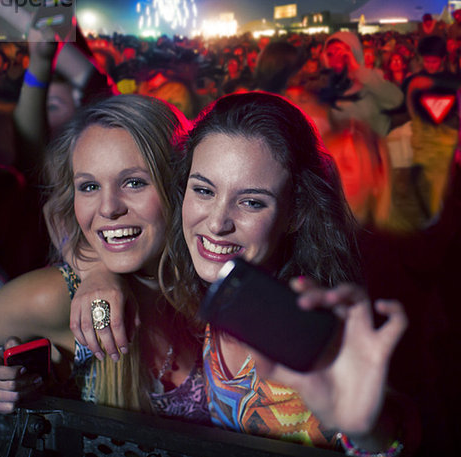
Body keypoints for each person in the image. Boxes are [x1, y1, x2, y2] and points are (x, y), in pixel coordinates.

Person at [0, 94, 208, 422]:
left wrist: (96, 272)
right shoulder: (70, 298)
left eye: (134, 182)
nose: (108, 208)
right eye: (89, 187)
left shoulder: (207, 274)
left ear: (177, 185)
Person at [164, 92, 410, 453]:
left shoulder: (315, 326)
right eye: (203, 190)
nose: (217, 223)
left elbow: (396, 429)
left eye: (251, 202)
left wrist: (369, 434)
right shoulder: (199, 292)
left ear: (296, 213)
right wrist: (95, 278)